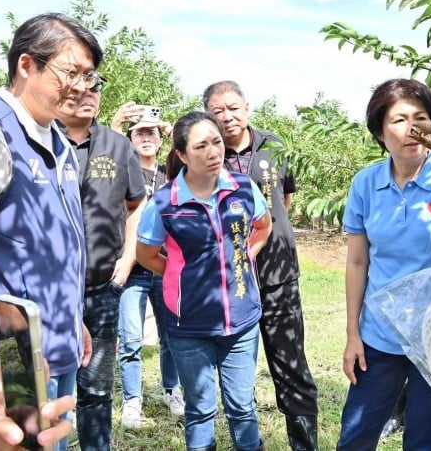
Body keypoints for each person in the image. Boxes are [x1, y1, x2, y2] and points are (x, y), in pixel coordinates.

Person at [0, 13, 96, 442]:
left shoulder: (59, 144)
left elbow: (54, 246)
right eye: (70, 72)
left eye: (89, 77)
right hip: (13, 355)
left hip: (57, 343)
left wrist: (75, 319)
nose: (81, 86)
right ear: (26, 65)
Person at [337, 78, 431, 451]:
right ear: (379, 131)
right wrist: (353, 335)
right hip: (380, 336)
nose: (413, 129)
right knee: (355, 436)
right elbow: (357, 262)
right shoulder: (366, 184)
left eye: (421, 118)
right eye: (399, 120)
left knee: (424, 440)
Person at [136, 111, 273, 451]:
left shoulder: (243, 188)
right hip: (189, 325)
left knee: (243, 408)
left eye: (216, 143)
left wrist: (243, 258)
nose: (214, 152)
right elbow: (146, 254)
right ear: (182, 155)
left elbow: (263, 226)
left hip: (241, 320)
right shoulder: (164, 203)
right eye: (201, 146)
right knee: (201, 410)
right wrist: (179, 276)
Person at [203, 81, 319, 450]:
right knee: (237, 375)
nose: (227, 116)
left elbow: (282, 200)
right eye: (218, 110)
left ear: (247, 107)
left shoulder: (274, 146)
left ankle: (304, 444)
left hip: (278, 275)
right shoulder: (204, 152)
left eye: (233, 107)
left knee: (290, 365)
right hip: (228, 282)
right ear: (208, 113)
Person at [57, 78, 146, 450]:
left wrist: (127, 260)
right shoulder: (42, 141)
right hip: (51, 294)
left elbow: (136, 203)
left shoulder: (117, 144)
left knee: (96, 388)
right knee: (49, 390)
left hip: (102, 288)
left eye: (95, 89)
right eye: (78, 89)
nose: (88, 97)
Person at [109, 106, 185, 427]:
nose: (145, 138)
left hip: (164, 265)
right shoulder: (122, 170)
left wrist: (170, 130)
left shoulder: (170, 172)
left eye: (150, 133)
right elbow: (105, 156)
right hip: (132, 268)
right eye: (138, 132)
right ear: (129, 139)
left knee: (171, 336)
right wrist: (115, 123)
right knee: (130, 339)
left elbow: (192, 157)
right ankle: (132, 400)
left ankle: (171, 390)